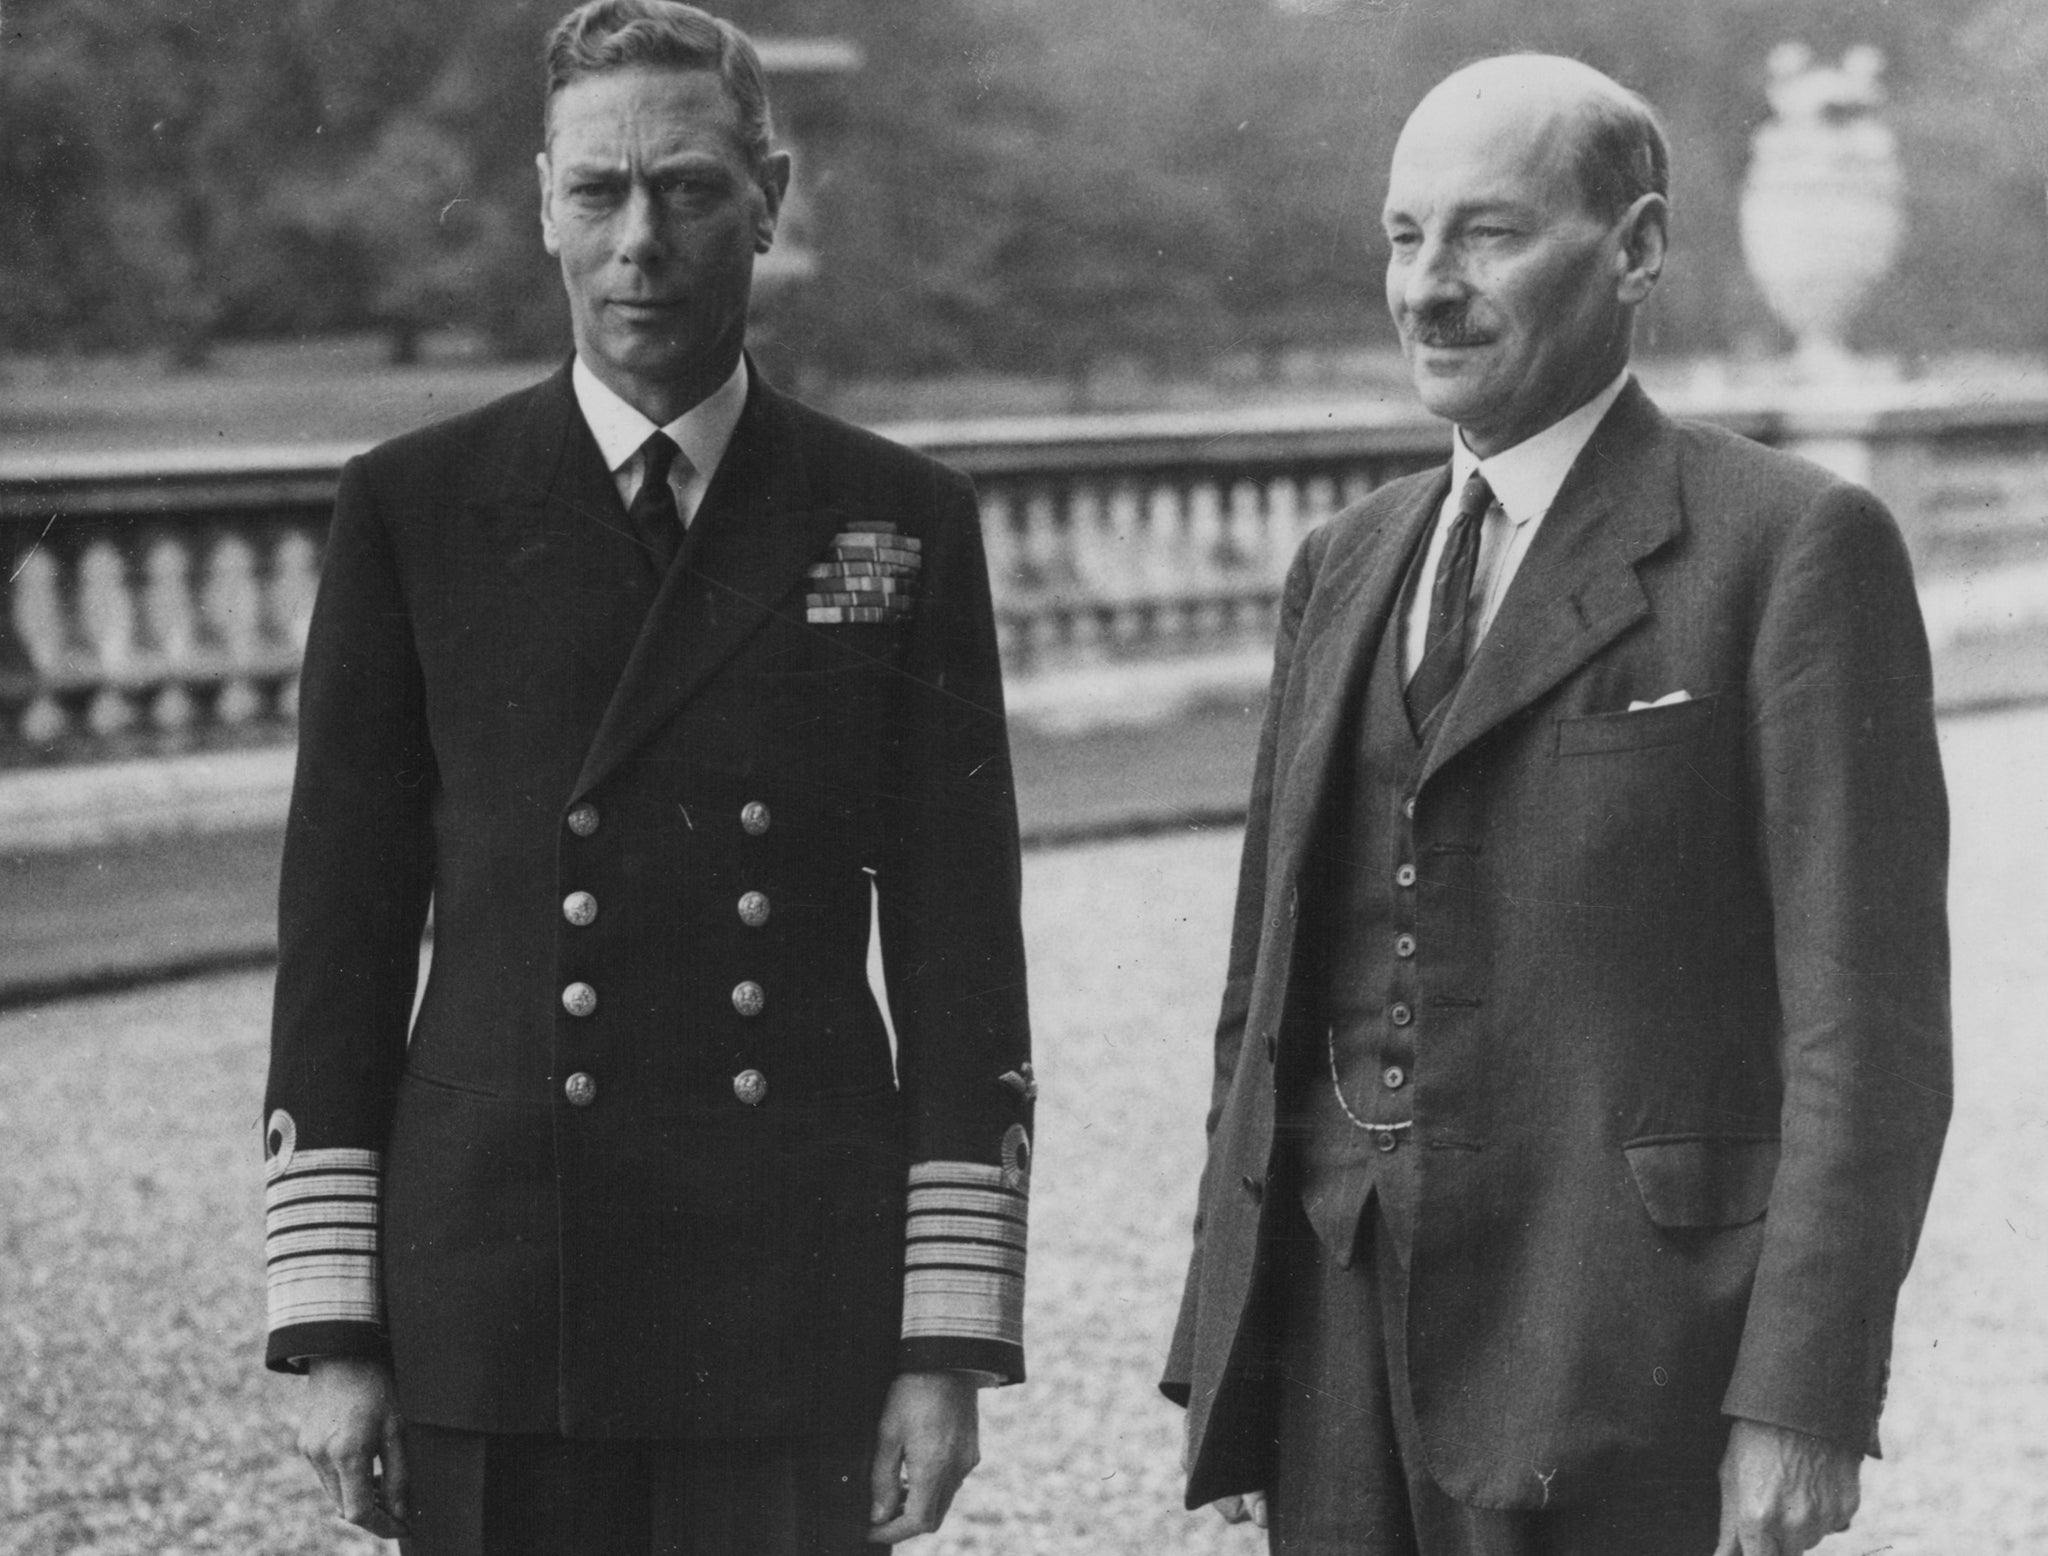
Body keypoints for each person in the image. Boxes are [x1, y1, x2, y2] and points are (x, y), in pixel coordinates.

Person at [260, 5, 1033, 1551]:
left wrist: (943, 1345)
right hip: (493, 1290)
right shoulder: (414, 510)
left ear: (772, 194)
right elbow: (338, 942)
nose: (640, 242)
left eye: (686, 188)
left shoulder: (893, 519)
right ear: (543, 201)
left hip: (786, 1297)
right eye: (599, 192)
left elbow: (962, 955)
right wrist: (333, 1326)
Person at [1162, 54, 1949, 1556]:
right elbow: (1261, 1000)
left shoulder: (1789, 549)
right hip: (1334, 1347)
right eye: (1404, 236)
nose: (1428, 289)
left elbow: (1871, 1023)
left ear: (1638, 248)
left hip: (1627, 1355)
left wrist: (1806, 1395)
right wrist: (1231, 1352)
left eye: (1490, 235)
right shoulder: (1345, 561)